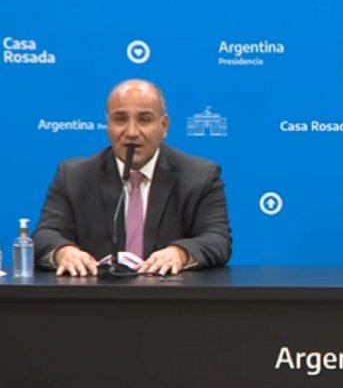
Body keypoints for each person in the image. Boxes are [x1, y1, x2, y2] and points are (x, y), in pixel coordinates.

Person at [33, 79, 232, 276]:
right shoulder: (74, 176)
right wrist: (63, 252)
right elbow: (45, 235)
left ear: (164, 126)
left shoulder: (199, 176)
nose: (131, 132)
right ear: (108, 125)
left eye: (144, 120)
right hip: (96, 293)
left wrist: (180, 253)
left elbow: (217, 239)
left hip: (168, 293)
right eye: (120, 119)